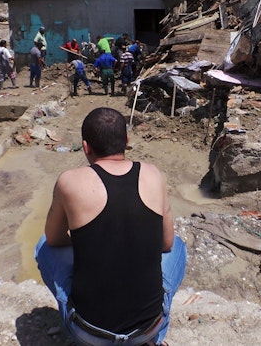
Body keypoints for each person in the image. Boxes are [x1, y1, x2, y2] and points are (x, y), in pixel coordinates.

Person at [35, 107, 186, 346]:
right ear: (127, 140)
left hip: (89, 334)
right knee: (178, 246)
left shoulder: (69, 181)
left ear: (86, 147)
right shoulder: (153, 174)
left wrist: (90, 240)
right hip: (147, 329)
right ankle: (149, 339)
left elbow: (53, 239)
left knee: (42, 245)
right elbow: (166, 243)